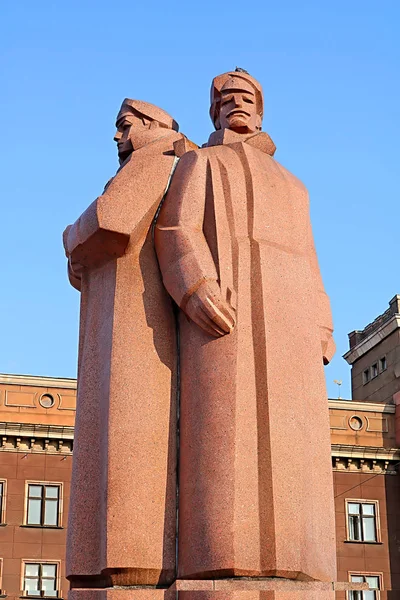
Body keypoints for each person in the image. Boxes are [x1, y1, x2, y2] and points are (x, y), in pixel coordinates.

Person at [155, 70, 337, 582]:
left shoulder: (294, 185)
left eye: (246, 97)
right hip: (225, 316)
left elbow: (309, 255)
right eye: (226, 99)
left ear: (260, 110)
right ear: (214, 112)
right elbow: (176, 228)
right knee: (222, 434)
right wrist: (196, 288)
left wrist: (322, 323)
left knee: (294, 444)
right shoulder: (200, 162)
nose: (236, 104)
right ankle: (219, 562)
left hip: (292, 324)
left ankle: (300, 566)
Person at [64, 99, 190, 588]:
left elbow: (111, 221)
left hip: (137, 322)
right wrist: (81, 242)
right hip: (112, 315)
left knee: (126, 430)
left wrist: (71, 235)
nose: (117, 136)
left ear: (153, 126)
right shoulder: (148, 162)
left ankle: (130, 564)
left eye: (124, 126)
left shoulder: (157, 159)